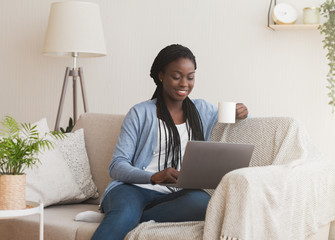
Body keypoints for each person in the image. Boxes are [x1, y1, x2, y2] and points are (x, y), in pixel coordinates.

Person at [91, 44, 248, 240]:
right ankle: (123, 215)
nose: (184, 83)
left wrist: (242, 112)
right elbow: (116, 166)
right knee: (125, 210)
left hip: (173, 195)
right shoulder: (140, 113)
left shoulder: (201, 110)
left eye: (190, 77)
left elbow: (233, 118)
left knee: (205, 203)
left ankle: (128, 218)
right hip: (132, 189)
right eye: (176, 76)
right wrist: (153, 177)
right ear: (161, 76)